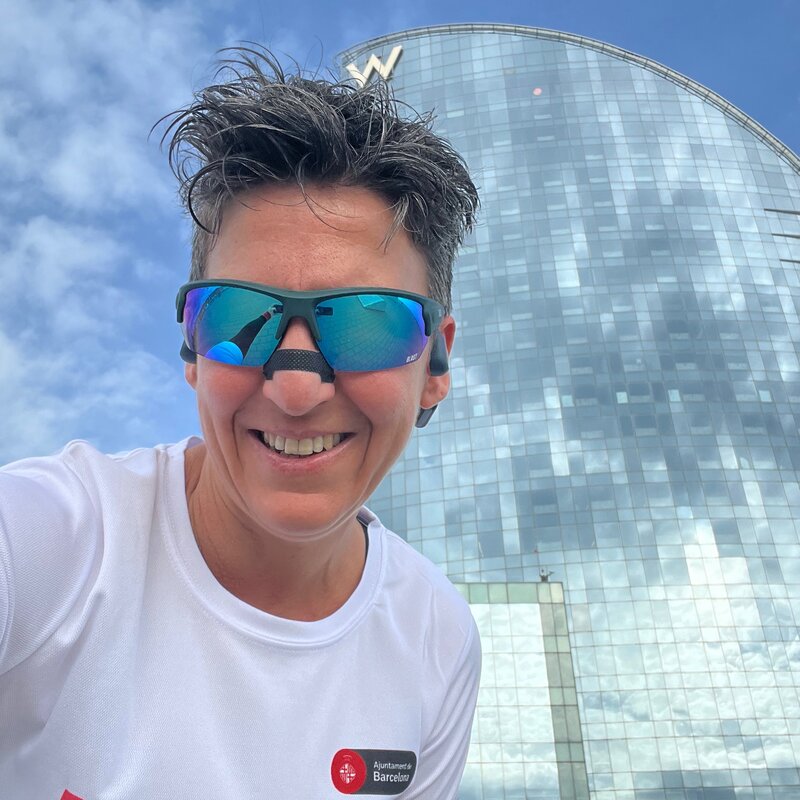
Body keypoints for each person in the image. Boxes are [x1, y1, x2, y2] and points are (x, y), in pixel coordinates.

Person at [0, 49, 480, 798]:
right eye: (239, 317)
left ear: (436, 367)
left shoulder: (438, 639)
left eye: (366, 324)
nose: (295, 387)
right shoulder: (52, 543)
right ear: (193, 349)